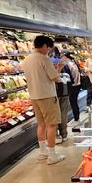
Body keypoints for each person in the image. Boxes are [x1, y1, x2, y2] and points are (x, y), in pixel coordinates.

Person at [20, 35, 65, 164]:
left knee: (41, 124)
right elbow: (54, 77)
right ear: (44, 46)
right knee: (51, 124)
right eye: (49, 48)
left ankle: (43, 152)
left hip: (34, 95)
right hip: (47, 96)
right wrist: (59, 69)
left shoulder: (27, 59)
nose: (49, 51)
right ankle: (52, 155)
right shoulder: (44, 59)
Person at [61, 51, 83, 121]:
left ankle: (76, 118)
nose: (61, 57)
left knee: (73, 102)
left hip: (73, 86)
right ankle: (77, 116)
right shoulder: (73, 62)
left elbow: (68, 77)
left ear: (65, 56)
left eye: (61, 56)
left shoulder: (67, 64)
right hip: (77, 84)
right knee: (74, 102)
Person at [55, 67, 71, 143]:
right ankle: (64, 134)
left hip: (55, 96)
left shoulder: (52, 74)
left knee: (55, 115)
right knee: (63, 115)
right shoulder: (66, 74)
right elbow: (71, 82)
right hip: (65, 95)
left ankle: (56, 135)